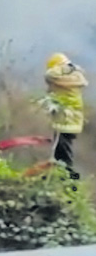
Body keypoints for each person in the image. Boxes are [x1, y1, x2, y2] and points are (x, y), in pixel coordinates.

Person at [43, 52, 88, 180]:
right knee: (63, 149)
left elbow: (49, 75)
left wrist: (64, 67)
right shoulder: (76, 78)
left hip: (64, 120)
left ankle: (68, 177)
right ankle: (63, 175)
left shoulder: (60, 78)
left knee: (61, 151)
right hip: (72, 120)